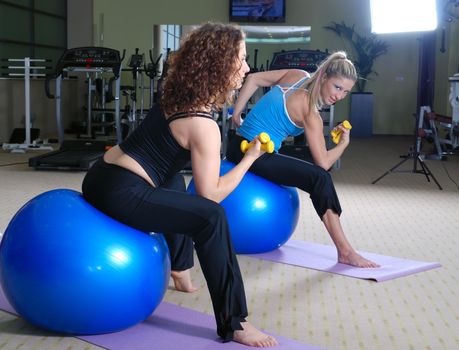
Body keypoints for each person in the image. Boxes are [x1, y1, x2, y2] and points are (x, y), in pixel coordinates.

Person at [82, 23, 277, 347]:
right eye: (240, 59)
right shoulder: (203, 125)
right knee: (210, 217)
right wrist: (249, 160)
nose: (246, 67)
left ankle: (181, 268)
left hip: (101, 175)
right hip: (121, 191)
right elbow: (210, 195)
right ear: (218, 64)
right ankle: (235, 321)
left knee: (174, 180)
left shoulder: (176, 93)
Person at [227, 51, 379, 268]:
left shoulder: (296, 75)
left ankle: (345, 250)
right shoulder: (310, 113)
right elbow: (324, 163)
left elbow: (253, 78)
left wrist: (237, 113)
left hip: (237, 145)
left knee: (299, 166)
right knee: (320, 179)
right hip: (252, 156)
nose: (339, 96)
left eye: (346, 92)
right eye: (337, 87)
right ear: (325, 75)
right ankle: (345, 251)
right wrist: (343, 144)